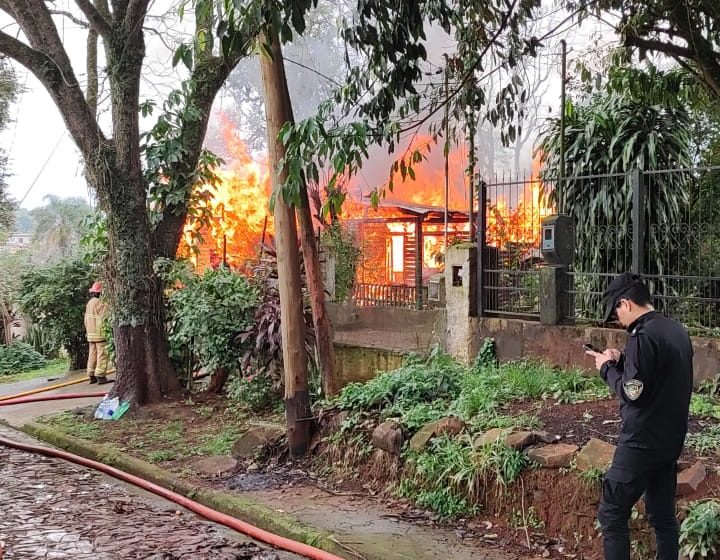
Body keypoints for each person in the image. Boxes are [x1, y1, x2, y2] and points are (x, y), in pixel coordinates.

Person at [585, 272, 693, 560]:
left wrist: (606, 368)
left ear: (626, 303)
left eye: (616, 311)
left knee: (612, 513)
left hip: (641, 442)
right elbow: (656, 379)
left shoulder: (643, 337)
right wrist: (622, 360)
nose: (617, 319)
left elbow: (633, 394)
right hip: (669, 441)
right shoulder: (674, 330)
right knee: (662, 517)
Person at [84, 281, 112, 385]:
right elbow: (105, 318)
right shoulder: (101, 303)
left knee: (93, 353)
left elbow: (86, 319)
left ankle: (91, 375)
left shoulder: (90, 303)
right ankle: (101, 376)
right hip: (100, 333)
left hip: (90, 333)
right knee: (102, 354)